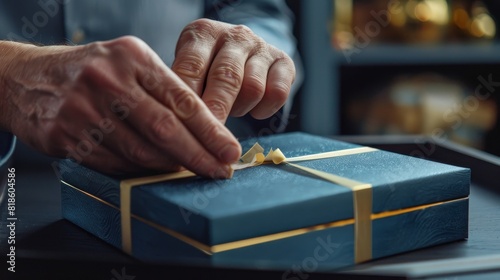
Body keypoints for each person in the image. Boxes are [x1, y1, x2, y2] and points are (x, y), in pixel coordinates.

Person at [0, 0, 302, 178]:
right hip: (13, 191)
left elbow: (253, 9)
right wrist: (7, 75)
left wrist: (247, 52)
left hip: (183, 186)